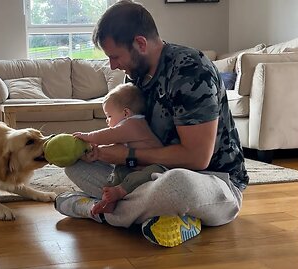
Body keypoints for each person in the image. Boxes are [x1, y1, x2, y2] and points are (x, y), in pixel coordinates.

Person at [54, 0, 249, 248]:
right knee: (76, 165)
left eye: (115, 56)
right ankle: (162, 217)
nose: (112, 65)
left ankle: (95, 210)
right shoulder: (135, 75)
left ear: (140, 43)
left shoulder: (190, 69)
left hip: (211, 180)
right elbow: (133, 134)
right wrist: (102, 153)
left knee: (175, 186)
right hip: (149, 175)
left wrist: (127, 156)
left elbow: (197, 158)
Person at [72, 82, 166, 215]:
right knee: (119, 170)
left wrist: (88, 136)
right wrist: (96, 153)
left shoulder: (134, 124)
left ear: (126, 113)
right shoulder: (126, 127)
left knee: (147, 173)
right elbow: (115, 149)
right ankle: (110, 200)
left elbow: (108, 136)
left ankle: (120, 191)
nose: (107, 120)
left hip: (156, 167)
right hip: (134, 166)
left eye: (109, 116)